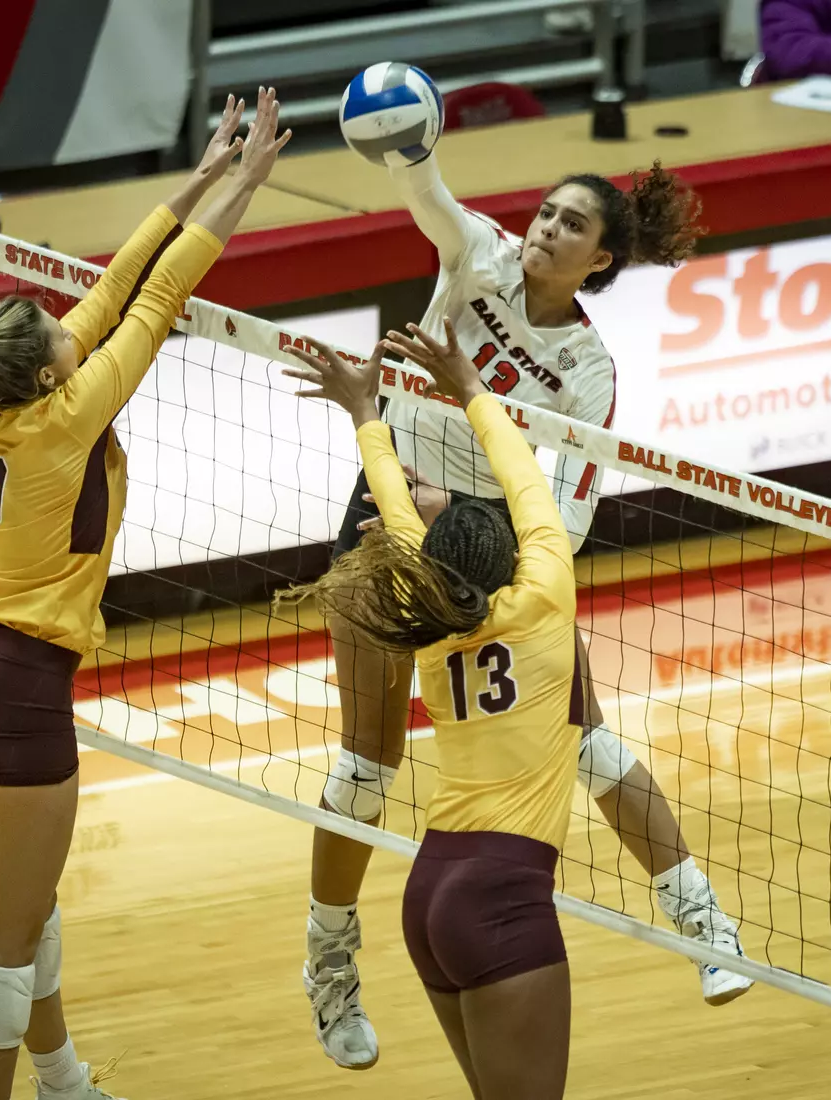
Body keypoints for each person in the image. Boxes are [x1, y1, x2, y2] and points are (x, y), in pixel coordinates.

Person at [287, 145, 751, 1072]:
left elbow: (569, 518)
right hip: (385, 516)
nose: (546, 229)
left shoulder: (587, 368)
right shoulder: (480, 257)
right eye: (546, 212)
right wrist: (410, 145)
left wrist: (466, 531)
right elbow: (426, 192)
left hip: (495, 540)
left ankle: (701, 919)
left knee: (587, 742)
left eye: (571, 224)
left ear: (601, 262)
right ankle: (328, 965)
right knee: (368, 761)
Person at [0, 91, 290, 1100]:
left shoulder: (11, 396)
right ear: (53, 368)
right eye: (63, 329)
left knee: (24, 910)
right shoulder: (66, 417)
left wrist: (205, 170)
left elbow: (117, 282)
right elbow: (157, 298)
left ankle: (63, 1080)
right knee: (1, 940)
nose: (78, 326)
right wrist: (250, 184)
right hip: (15, 690)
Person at [278, 321, 583, 1099]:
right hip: (502, 898)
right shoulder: (546, 592)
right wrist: (473, 389)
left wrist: (364, 413)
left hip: (432, 891)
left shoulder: (431, 615)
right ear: (513, 553)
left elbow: (400, 506)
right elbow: (522, 480)